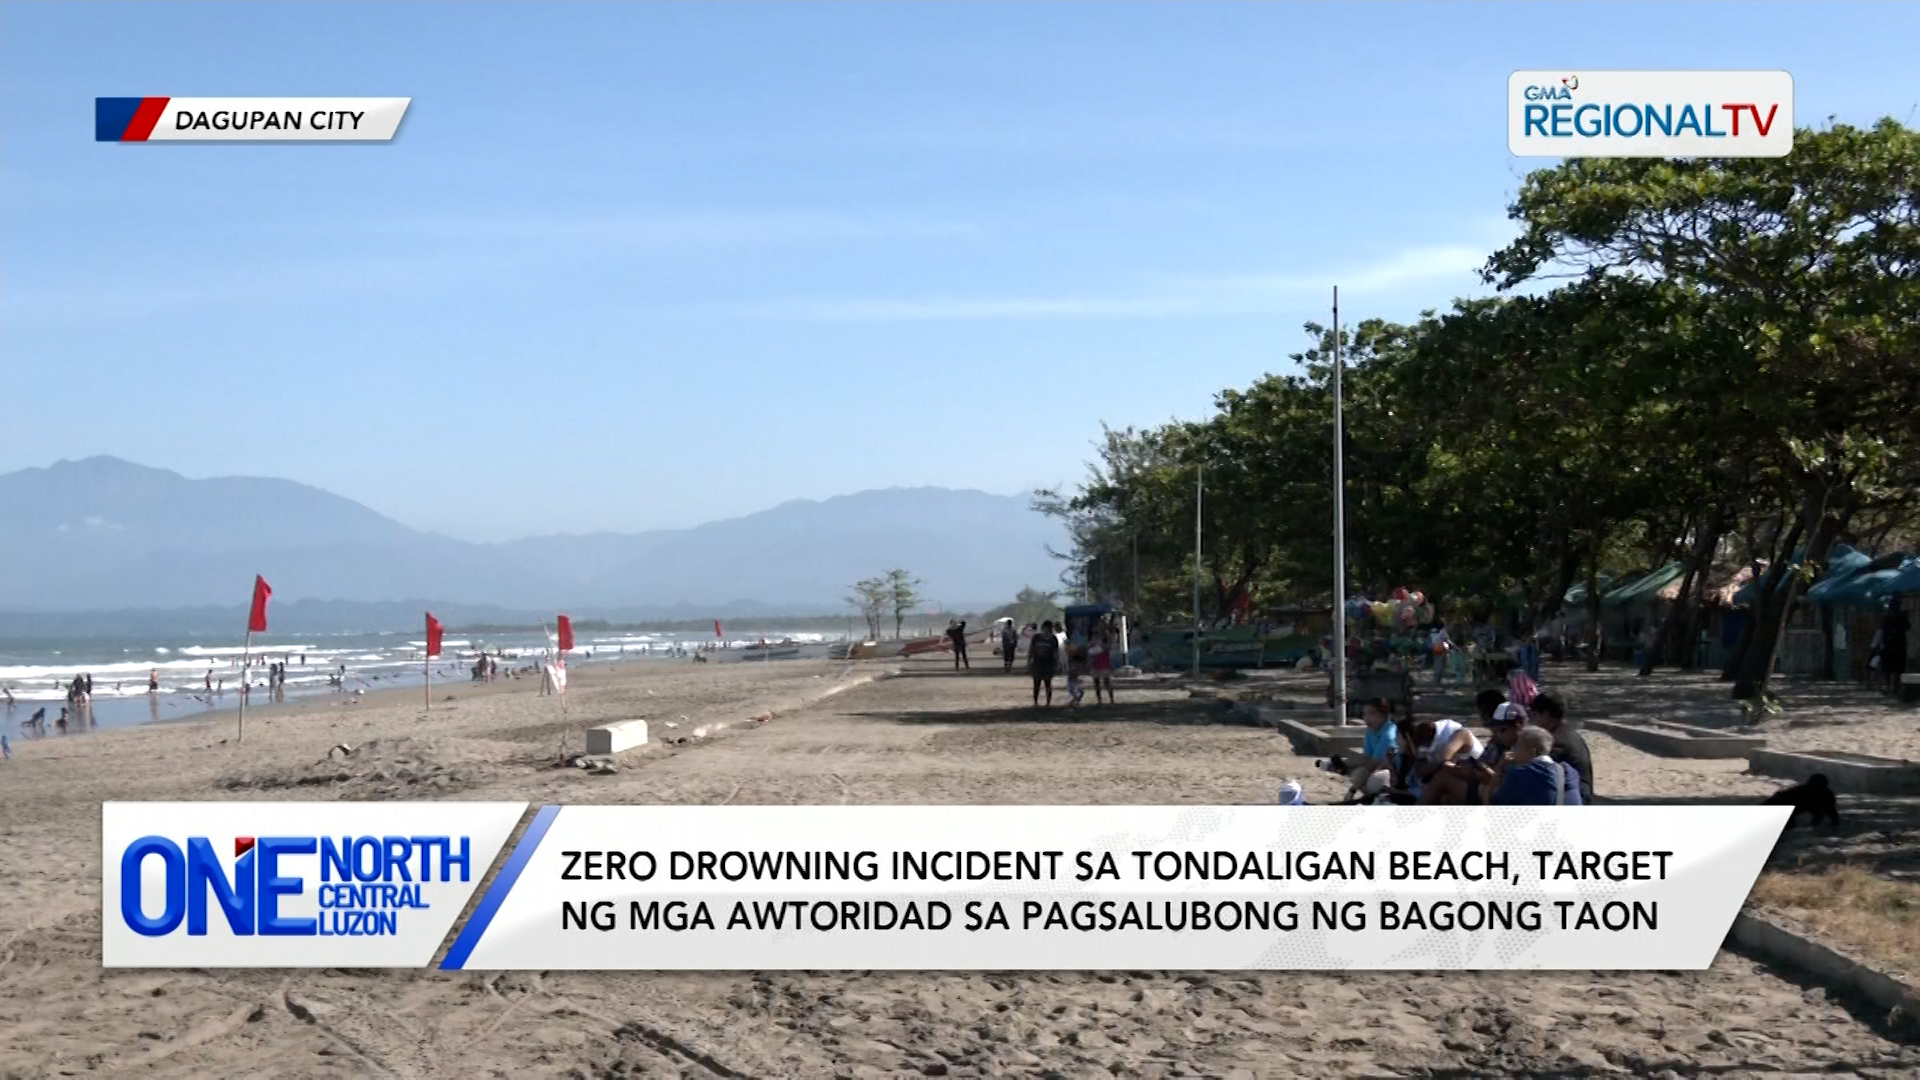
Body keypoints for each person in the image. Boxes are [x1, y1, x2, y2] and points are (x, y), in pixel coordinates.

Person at [1528, 691, 1593, 804]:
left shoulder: (1555, 742)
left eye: (1534, 715)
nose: (1531, 720)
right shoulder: (1567, 732)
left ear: (1546, 715)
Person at [1490, 727, 1584, 805]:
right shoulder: (1568, 771)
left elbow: (1495, 802)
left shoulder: (1520, 774)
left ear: (1532, 751)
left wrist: (1499, 769)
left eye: (1517, 747)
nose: (1513, 751)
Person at [1409, 716, 1484, 805]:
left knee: (1442, 777)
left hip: (1480, 787)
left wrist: (1438, 763)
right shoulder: (1431, 744)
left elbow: (1446, 757)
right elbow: (1421, 772)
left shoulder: (1460, 733)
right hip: (1467, 784)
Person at [1351, 698, 1399, 799]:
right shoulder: (1370, 731)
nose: (1367, 718)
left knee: (1375, 781)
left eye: (1372, 714)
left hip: (1393, 772)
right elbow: (1367, 757)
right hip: (1376, 768)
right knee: (1358, 774)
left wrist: (1348, 764)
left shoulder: (1388, 734)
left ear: (1384, 715)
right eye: (1365, 714)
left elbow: (1375, 762)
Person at [1875, 598, 1910, 691]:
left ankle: (1891, 685)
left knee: (1890, 667)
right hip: (1897, 645)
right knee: (1896, 667)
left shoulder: (1888, 618)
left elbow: (1883, 629)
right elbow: (1907, 627)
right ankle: (1894, 685)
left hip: (1891, 645)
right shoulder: (1899, 617)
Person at [1028, 619, 1061, 707]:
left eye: (1049, 628)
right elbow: (1031, 650)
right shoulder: (1036, 637)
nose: (1047, 630)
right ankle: (1035, 702)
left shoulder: (1053, 639)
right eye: (1046, 628)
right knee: (1036, 683)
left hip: (1048, 663)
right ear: (1043, 628)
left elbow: (1056, 652)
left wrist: (1057, 663)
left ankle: (1048, 702)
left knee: (1048, 683)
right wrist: (1029, 660)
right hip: (1037, 663)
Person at [1089, 631, 1115, 704]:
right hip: (1102, 665)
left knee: (1100, 683)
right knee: (1104, 683)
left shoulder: (1103, 646)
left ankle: (1103, 699)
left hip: (1100, 665)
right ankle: (1108, 699)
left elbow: (1091, 653)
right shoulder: (1103, 646)